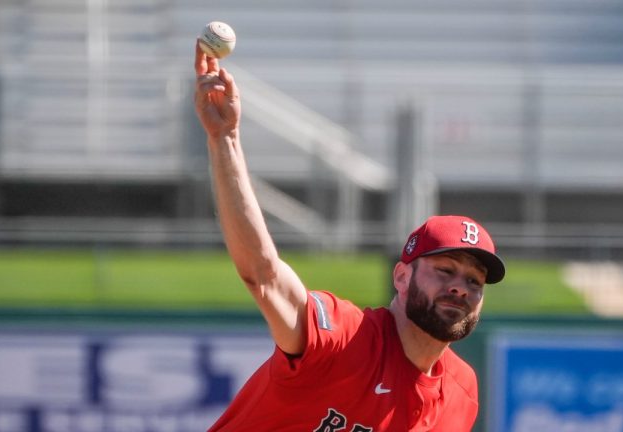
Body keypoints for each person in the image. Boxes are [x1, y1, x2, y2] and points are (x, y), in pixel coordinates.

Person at [193, 41, 505, 432]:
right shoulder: (342, 336)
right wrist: (225, 139)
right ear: (402, 277)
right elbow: (264, 275)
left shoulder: (462, 393)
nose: (460, 288)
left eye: (474, 281)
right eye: (444, 270)